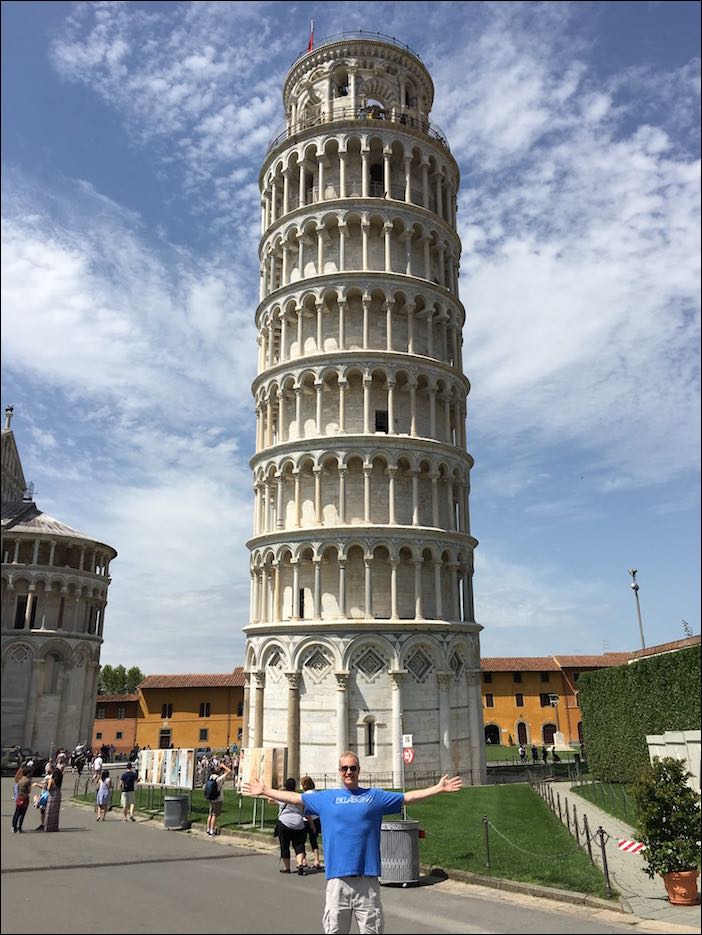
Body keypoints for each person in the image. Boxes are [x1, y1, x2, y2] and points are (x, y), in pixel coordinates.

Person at [244, 751, 462, 934]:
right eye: (344, 768)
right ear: (339, 772)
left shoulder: (374, 797)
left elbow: (407, 798)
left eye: (353, 768)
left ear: (359, 771)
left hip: (367, 881)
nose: (348, 772)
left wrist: (438, 788)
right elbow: (296, 798)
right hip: (337, 880)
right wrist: (264, 790)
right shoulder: (325, 798)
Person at [273, 778, 308, 875]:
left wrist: (280, 790)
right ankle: (300, 863)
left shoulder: (282, 797)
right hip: (298, 823)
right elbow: (305, 809)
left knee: (285, 845)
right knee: (299, 845)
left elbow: (270, 800)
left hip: (285, 822)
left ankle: (287, 867)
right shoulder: (299, 797)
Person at [300, 775, 322, 870]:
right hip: (317, 818)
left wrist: (311, 823)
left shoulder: (304, 796)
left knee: (302, 841)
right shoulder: (317, 794)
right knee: (314, 841)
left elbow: (305, 811)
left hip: (306, 820)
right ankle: (317, 860)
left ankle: (303, 860)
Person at [206, 761, 231, 836]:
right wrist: (223, 766)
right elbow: (229, 771)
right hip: (217, 798)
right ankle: (212, 830)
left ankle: (208, 828)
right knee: (214, 815)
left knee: (210, 814)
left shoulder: (211, 777)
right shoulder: (219, 779)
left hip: (211, 797)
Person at [12, 765, 32, 833]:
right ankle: (19, 828)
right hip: (25, 798)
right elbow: (29, 790)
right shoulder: (28, 781)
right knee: (22, 814)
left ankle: (14, 827)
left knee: (17, 812)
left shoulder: (20, 780)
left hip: (19, 797)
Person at [44, 763, 63, 832]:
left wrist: (48, 782)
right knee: (55, 811)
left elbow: (49, 787)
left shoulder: (55, 774)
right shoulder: (57, 772)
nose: (46, 769)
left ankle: (49, 827)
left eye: (47, 767)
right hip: (57, 792)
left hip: (53, 793)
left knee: (50, 810)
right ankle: (54, 826)